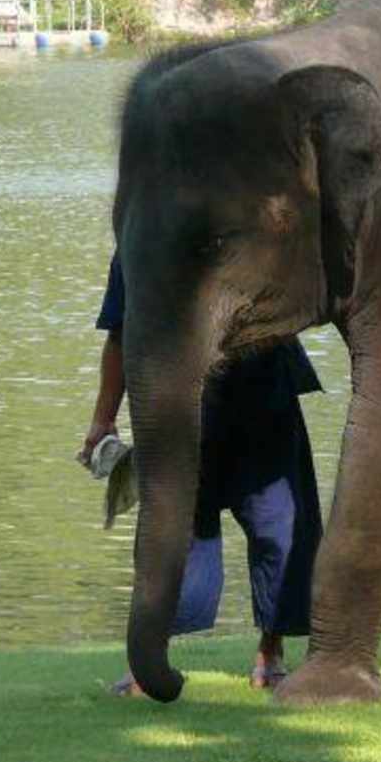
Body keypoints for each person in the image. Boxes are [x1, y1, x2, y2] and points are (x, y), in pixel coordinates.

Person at [80, 254, 323, 694]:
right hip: (176, 404)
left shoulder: (262, 233)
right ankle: (148, 660)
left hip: (265, 396)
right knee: (172, 533)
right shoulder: (143, 237)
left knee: (280, 527)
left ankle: (271, 653)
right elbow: (121, 330)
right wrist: (103, 419)